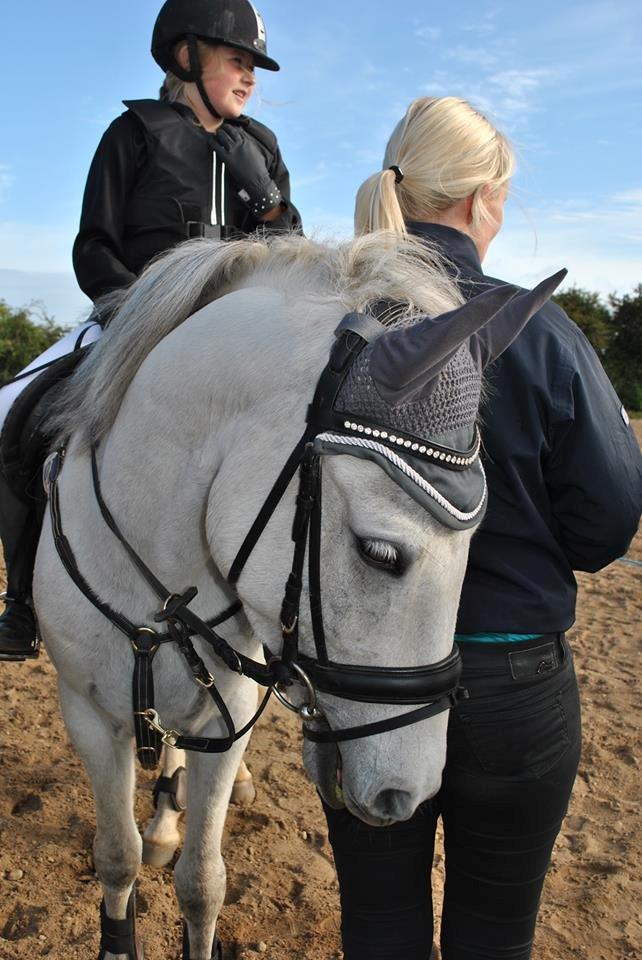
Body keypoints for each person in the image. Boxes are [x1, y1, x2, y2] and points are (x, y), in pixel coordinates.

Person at [320, 96, 642, 960]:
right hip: (512, 683)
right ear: (479, 200)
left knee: (379, 926)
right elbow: (608, 525)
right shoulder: (543, 333)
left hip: (365, 685)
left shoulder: (336, 328)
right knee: (494, 936)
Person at [0, 0, 301, 661]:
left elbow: (290, 254)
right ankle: (21, 600)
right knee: (14, 410)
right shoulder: (133, 132)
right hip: (132, 320)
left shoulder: (261, 148)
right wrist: (139, 310)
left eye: (253, 67)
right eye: (237, 60)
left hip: (238, 336)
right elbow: (93, 247)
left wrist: (267, 200)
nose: (249, 77)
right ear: (188, 57)